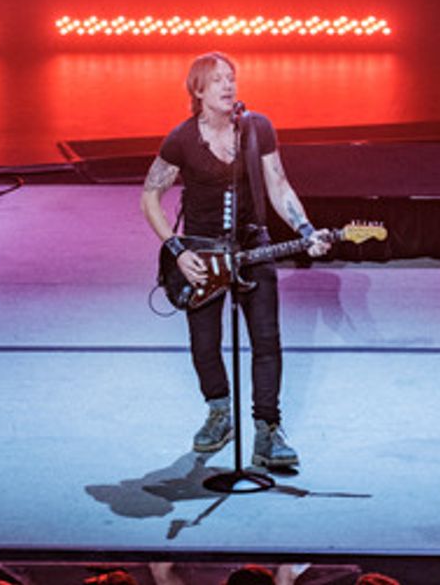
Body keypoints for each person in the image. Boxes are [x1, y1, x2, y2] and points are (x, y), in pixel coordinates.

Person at [140, 52, 330, 471]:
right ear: (198, 90)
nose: (229, 86)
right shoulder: (182, 139)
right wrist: (177, 250)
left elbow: (278, 184)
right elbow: (149, 197)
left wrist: (304, 229)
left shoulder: (256, 128)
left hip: (252, 245)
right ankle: (219, 412)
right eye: (218, 80)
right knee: (204, 344)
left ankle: (267, 430)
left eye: (232, 78)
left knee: (267, 340)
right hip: (200, 254)